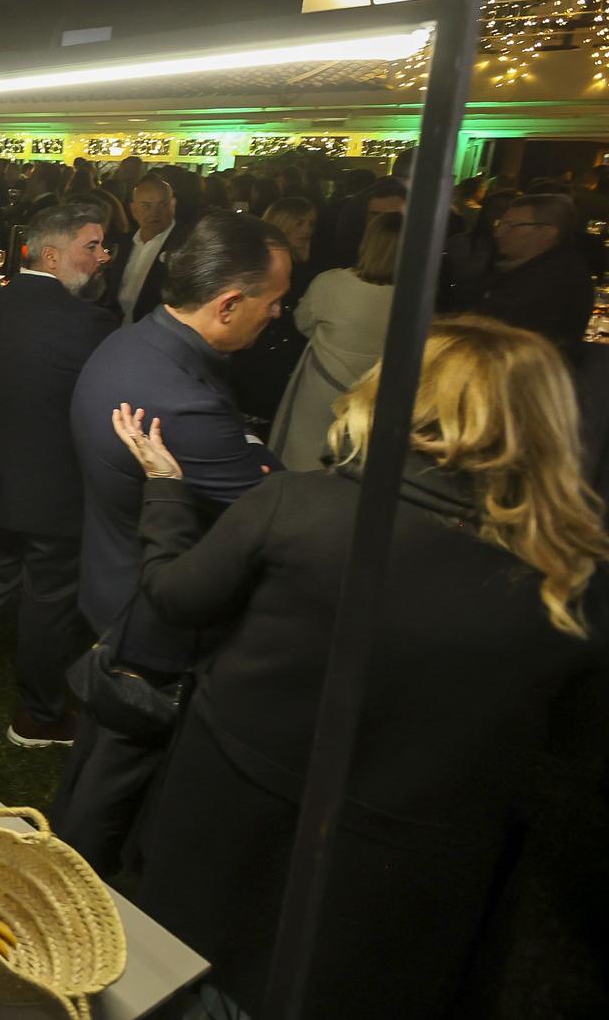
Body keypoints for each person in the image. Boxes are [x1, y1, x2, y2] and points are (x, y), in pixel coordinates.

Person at [114, 316, 609, 1017]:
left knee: (174, 985)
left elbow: (174, 596)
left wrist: (166, 493)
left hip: (219, 829)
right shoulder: (572, 589)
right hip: (396, 891)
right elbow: (575, 761)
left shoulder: (303, 506)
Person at [52, 213, 292, 874]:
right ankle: (77, 917)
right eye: (273, 305)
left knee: (95, 761)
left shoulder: (135, 342)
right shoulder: (178, 398)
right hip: (152, 619)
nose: (278, 316)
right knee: (114, 797)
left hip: (109, 582)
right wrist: (254, 453)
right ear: (228, 304)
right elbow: (271, 502)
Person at [0, 202, 116, 744]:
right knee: (48, 603)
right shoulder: (92, 323)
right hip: (57, 489)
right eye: (91, 246)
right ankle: (36, 713)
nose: (101, 258)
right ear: (52, 254)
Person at [269, 212, 403, 470]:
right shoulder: (416, 300)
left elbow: (302, 321)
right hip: (377, 399)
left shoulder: (331, 283)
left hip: (320, 392)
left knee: (303, 463)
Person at [460, 193, 593, 357]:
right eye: (500, 224)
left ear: (547, 232)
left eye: (511, 225)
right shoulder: (526, 267)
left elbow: (499, 333)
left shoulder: (550, 280)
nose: (498, 233)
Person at [226, 195, 317, 434]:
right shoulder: (255, 270)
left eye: (311, 223)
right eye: (299, 223)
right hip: (254, 363)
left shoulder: (310, 273)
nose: (306, 230)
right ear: (281, 224)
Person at [101, 174, 191, 325]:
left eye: (162, 205)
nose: (155, 213)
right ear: (133, 209)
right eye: (146, 206)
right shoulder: (123, 243)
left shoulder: (186, 243)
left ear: (173, 205)